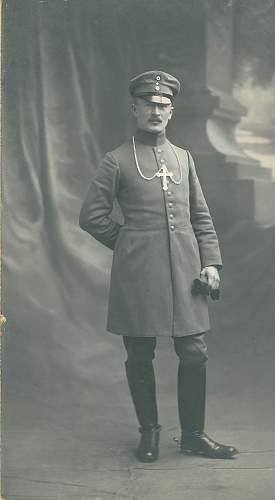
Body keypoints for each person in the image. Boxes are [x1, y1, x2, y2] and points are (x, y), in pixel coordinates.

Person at [79, 70, 238, 463]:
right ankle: (149, 433)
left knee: (194, 351)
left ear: (171, 112)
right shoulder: (116, 160)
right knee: (139, 352)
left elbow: (201, 216)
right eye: (148, 104)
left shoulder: (183, 158)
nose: (156, 110)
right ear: (134, 108)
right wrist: (130, 244)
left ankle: (194, 436)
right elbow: (92, 216)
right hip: (138, 276)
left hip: (186, 273)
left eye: (163, 105)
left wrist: (212, 263)